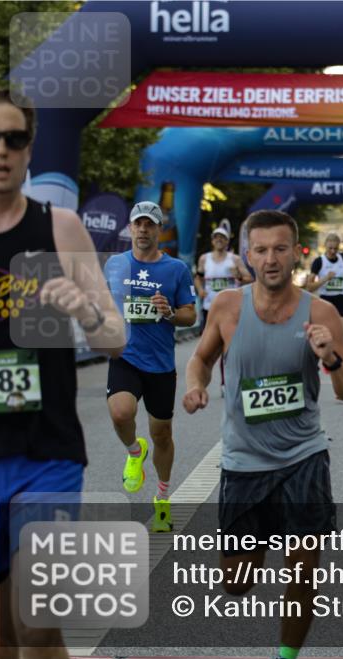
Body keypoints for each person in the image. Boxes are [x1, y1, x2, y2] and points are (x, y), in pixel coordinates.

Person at [0, 86, 125, 659]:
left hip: (48, 451)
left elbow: (115, 337)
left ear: (30, 148)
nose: (0, 151)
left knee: (37, 627)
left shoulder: (60, 228)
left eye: (14, 139)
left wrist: (87, 311)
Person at [183, 210, 343, 659]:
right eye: (261, 249)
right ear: (247, 255)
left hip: (304, 456)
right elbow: (201, 358)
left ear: (296, 253)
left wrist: (333, 360)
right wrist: (195, 384)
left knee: (302, 568)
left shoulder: (320, 314)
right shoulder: (226, 307)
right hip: (244, 462)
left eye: (280, 248)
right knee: (237, 582)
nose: (270, 259)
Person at [103, 201, 196, 532]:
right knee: (120, 413)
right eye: (138, 224)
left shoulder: (176, 269)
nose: (143, 229)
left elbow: (191, 314)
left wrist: (169, 311)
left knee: (162, 434)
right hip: (125, 357)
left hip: (159, 364)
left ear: (159, 230)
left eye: (150, 224)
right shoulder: (114, 265)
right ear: (130, 229)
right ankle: (133, 451)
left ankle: (162, 498)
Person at [194, 222, 252, 330]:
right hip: (209, 307)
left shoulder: (235, 259)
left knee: (230, 341)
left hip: (231, 307)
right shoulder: (204, 259)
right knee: (210, 342)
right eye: (216, 237)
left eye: (222, 237)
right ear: (212, 241)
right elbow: (198, 278)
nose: (219, 240)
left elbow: (250, 279)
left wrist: (239, 277)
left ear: (227, 241)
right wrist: (200, 290)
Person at [304, 233, 343, 326]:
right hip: (326, 299)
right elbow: (309, 286)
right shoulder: (319, 262)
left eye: (335, 248)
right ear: (325, 246)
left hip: (342, 298)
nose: (333, 251)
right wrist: (325, 278)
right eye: (330, 248)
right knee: (328, 333)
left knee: (342, 334)